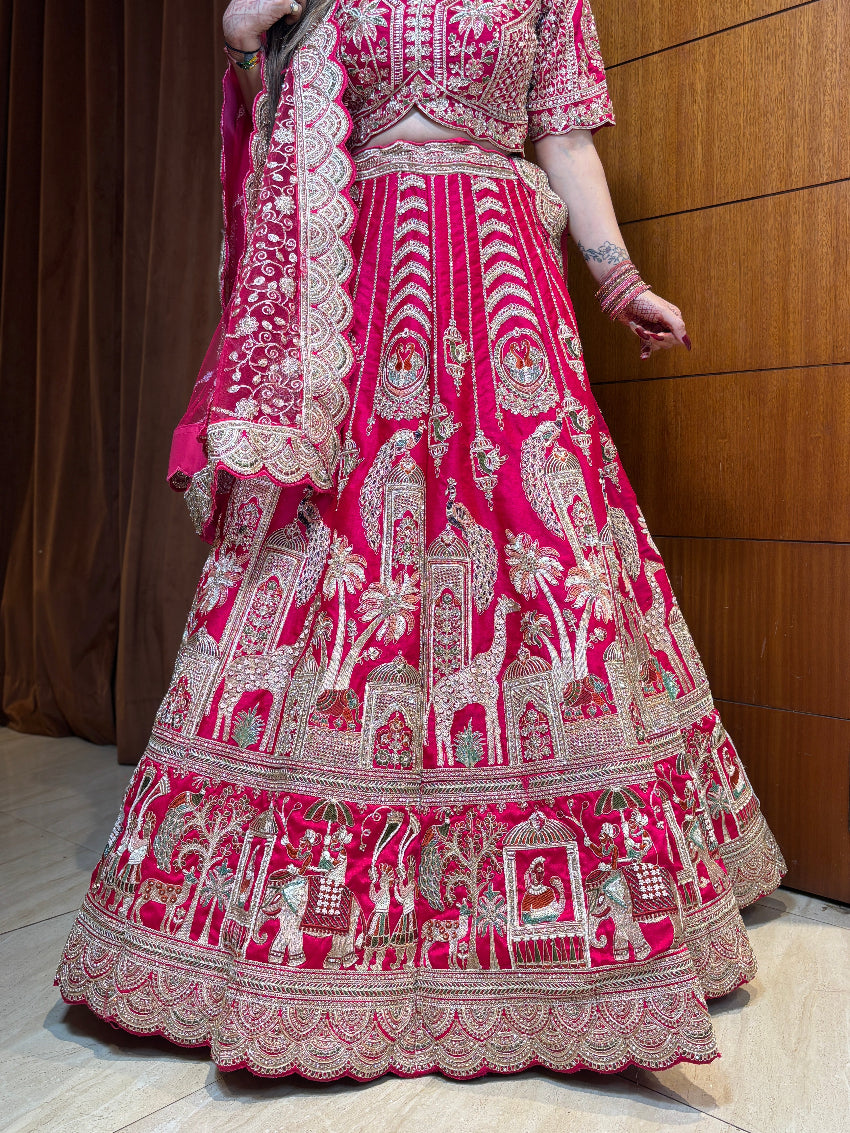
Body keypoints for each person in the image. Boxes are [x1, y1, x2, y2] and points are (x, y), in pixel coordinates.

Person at [55, 0, 786, 1079]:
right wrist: (243, 27)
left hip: (500, 277)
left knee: (544, 543)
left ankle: (557, 920)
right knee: (345, 550)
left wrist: (619, 279)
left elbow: (564, 133)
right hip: (361, 275)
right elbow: (251, 36)